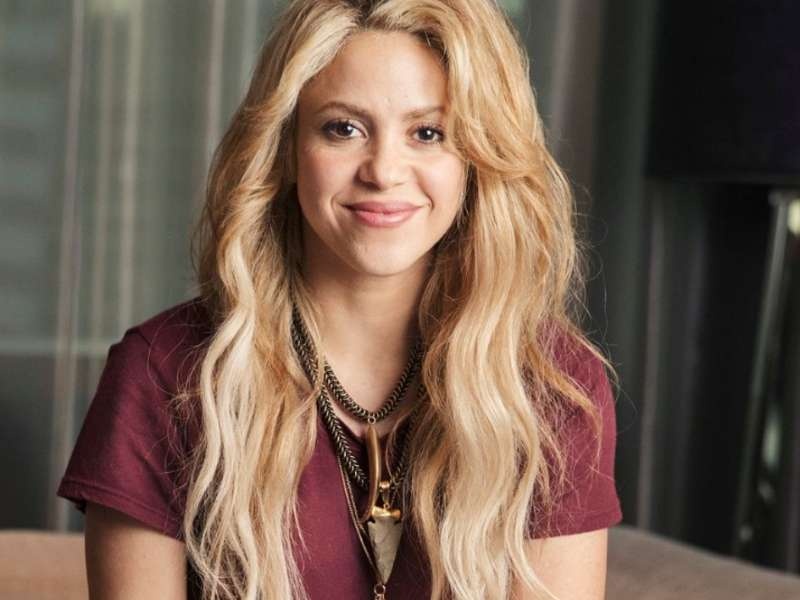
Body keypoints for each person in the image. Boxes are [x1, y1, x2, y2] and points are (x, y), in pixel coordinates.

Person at [57, 0, 622, 598]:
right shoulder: (163, 376)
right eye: (343, 128)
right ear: (286, 148)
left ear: (476, 161)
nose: (384, 171)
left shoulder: (554, 388)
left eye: (428, 133)